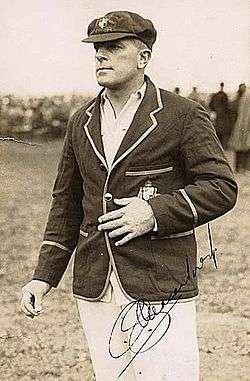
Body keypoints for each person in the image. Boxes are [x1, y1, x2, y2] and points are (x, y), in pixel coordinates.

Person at [21, 11, 238, 381]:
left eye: (114, 47)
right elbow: (67, 203)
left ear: (143, 58)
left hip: (161, 283)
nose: (101, 56)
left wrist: (153, 212)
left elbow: (221, 187)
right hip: (96, 284)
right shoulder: (82, 120)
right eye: (97, 49)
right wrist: (44, 276)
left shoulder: (182, 114)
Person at [228, 86, 250, 173]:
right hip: (244, 125)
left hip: (241, 125)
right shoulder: (246, 96)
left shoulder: (244, 96)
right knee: (243, 146)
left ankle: (240, 167)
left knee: (241, 146)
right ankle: (243, 167)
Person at [208, 82, 232, 149]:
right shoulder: (224, 95)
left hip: (217, 115)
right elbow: (227, 106)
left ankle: (218, 146)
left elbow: (210, 105)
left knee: (217, 131)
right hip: (222, 116)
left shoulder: (215, 95)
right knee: (222, 132)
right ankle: (221, 147)